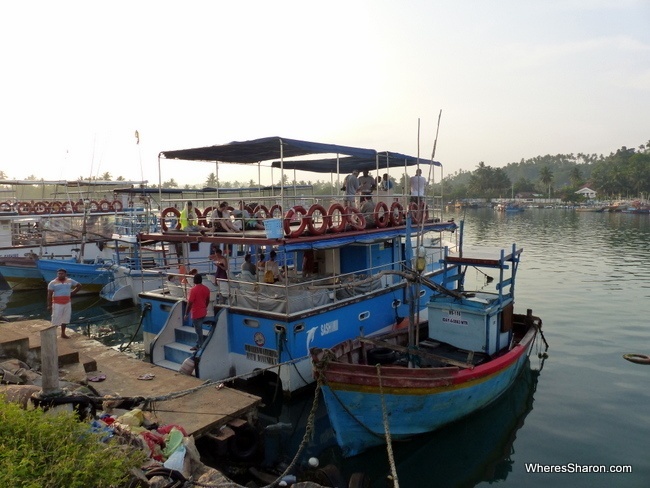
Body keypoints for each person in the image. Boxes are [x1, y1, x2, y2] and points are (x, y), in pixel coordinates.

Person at [47, 268, 81, 338]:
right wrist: (49, 305)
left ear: (65, 274)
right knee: (55, 319)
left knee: (65, 319)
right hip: (57, 304)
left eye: (62, 273)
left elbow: (79, 285)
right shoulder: (52, 283)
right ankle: (52, 335)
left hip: (67, 303)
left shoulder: (70, 281)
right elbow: (49, 294)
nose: (60, 275)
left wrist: (73, 293)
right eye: (59, 273)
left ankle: (63, 333)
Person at [184, 274, 210, 350]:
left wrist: (186, 314)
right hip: (203, 311)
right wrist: (204, 307)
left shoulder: (193, 290)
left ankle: (199, 345)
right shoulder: (206, 289)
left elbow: (190, 303)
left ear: (194, 280)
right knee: (200, 328)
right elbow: (207, 300)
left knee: (198, 330)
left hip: (196, 313)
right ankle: (200, 344)